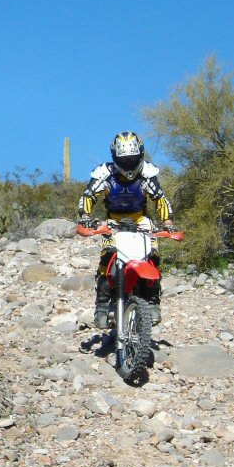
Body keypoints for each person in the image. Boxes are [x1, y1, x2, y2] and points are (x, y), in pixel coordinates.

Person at [76, 131, 176, 328]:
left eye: (133, 160)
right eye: (125, 160)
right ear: (115, 157)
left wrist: (168, 223)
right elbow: (88, 196)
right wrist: (85, 217)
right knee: (107, 256)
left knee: (153, 255)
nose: (129, 164)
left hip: (141, 220)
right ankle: (102, 306)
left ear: (141, 156)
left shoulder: (148, 174)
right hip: (113, 220)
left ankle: (153, 300)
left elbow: (160, 199)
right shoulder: (105, 174)